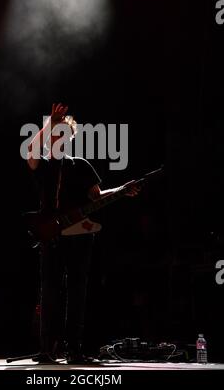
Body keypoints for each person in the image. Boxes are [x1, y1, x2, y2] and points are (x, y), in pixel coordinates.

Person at [27, 103, 141, 364]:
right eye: (55, 134)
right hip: (51, 236)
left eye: (63, 134)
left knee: (78, 292)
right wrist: (48, 123)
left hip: (80, 237)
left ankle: (74, 350)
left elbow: (97, 197)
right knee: (50, 292)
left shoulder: (81, 166)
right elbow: (30, 151)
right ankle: (47, 349)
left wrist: (123, 189)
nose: (59, 138)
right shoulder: (43, 165)